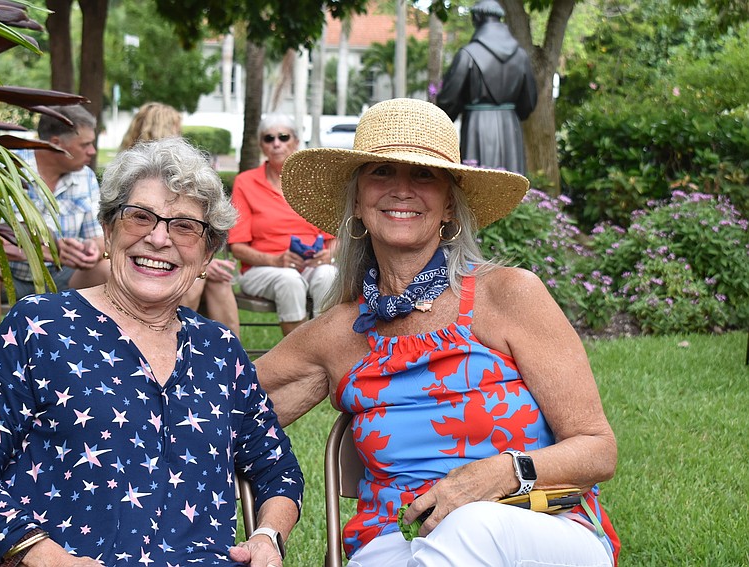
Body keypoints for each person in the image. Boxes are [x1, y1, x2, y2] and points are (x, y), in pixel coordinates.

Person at [256, 98, 620, 566]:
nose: (401, 189)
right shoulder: (338, 334)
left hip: (537, 527)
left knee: (472, 525)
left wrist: (502, 472)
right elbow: (222, 407)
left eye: (424, 175)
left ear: (449, 204)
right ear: (358, 202)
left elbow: (598, 450)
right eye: (381, 171)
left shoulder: (509, 295)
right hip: (396, 537)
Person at [0, 137, 304, 567]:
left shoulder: (220, 350)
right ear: (109, 231)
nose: (158, 238)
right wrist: (40, 553)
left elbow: (277, 468)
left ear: (207, 254)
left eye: (184, 226)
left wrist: (267, 536)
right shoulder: (40, 325)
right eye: (140, 217)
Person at [0, 105, 109, 361]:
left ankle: (94, 362)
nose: (92, 151)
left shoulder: (85, 177)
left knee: (108, 270)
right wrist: (47, 250)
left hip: (63, 276)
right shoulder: (6, 169)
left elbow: (99, 238)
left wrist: (91, 250)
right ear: (56, 144)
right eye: (85, 144)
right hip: (10, 276)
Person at [120, 102, 241, 336]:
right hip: (123, 262)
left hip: (183, 257)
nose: (180, 134)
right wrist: (201, 267)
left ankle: (232, 351)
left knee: (217, 279)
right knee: (198, 279)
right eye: (176, 127)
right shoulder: (132, 176)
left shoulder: (186, 177)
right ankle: (178, 338)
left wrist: (204, 262)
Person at [228, 113, 337, 336]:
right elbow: (237, 247)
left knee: (329, 274)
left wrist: (329, 256)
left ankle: (324, 347)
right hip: (262, 269)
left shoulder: (312, 182)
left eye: (283, 137)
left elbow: (334, 239)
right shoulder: (246, 182)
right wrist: (276, 260)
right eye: (269, 138)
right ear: (262, 145)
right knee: (289, 280)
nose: (276, 143)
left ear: (295, 142)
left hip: (311, 265)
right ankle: (299, 353)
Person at [436, 0, 538, 174]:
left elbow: (448, 99)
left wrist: (445, 118)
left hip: (476, 127)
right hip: (510, 129)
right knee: (511, 184)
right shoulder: (521, 56)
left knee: (476, 182)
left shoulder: (467, 54)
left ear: (477, 17)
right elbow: (528, 102)